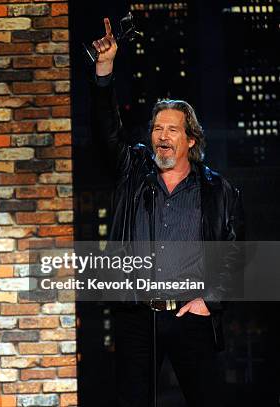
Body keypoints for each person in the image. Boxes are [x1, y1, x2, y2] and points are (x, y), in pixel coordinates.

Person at [91, 18, 244, 406]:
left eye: (172, 129)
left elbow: (236, 253)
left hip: (190, 315)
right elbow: (107, 132)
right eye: (157, 128)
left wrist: (211, 300)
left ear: (190, 140)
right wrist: (105, 68)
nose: (161, 135)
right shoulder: (134, 171)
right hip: (137, 316)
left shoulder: (217, 191)